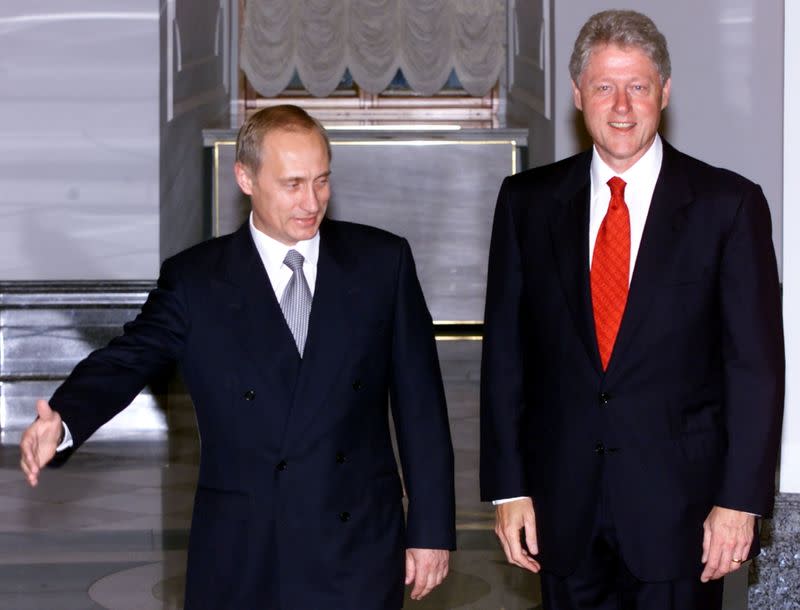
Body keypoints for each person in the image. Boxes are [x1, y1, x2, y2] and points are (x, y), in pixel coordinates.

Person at [20, 104, 455, 609]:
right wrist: (66, 417)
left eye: (321, 181)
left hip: (356, 540)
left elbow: (421, 407)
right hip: (244, 546)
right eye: (292, 184)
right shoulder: (197, 280)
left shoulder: (382, 262)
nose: (311, 202)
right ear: (245, 178)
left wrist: (430, 530)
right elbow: (128, 358)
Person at [480, 9, 784, 610]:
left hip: (684, 516)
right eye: (603, 87)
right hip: (562, 510)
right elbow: (506, 357)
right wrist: (508, 488)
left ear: (664, 93)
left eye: (637, 87)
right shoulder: (527, 203)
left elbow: (755, 367)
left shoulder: (729, 206)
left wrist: (740, 502)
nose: (621, 106)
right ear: (577, 95)